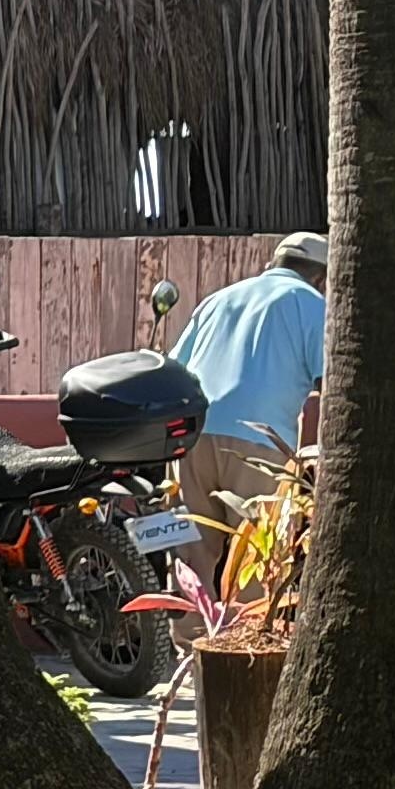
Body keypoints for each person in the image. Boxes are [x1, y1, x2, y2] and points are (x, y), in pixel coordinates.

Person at [167, 231, 326, 580]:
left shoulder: (218, 299)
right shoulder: (312, 304)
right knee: (255, 559)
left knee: (191, 555)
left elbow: (174, 366)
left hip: (193, 437)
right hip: (259, 444)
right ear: (321, 278)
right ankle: (250, 635)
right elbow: (329, 381)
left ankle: (187, 634)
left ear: (272, 264)